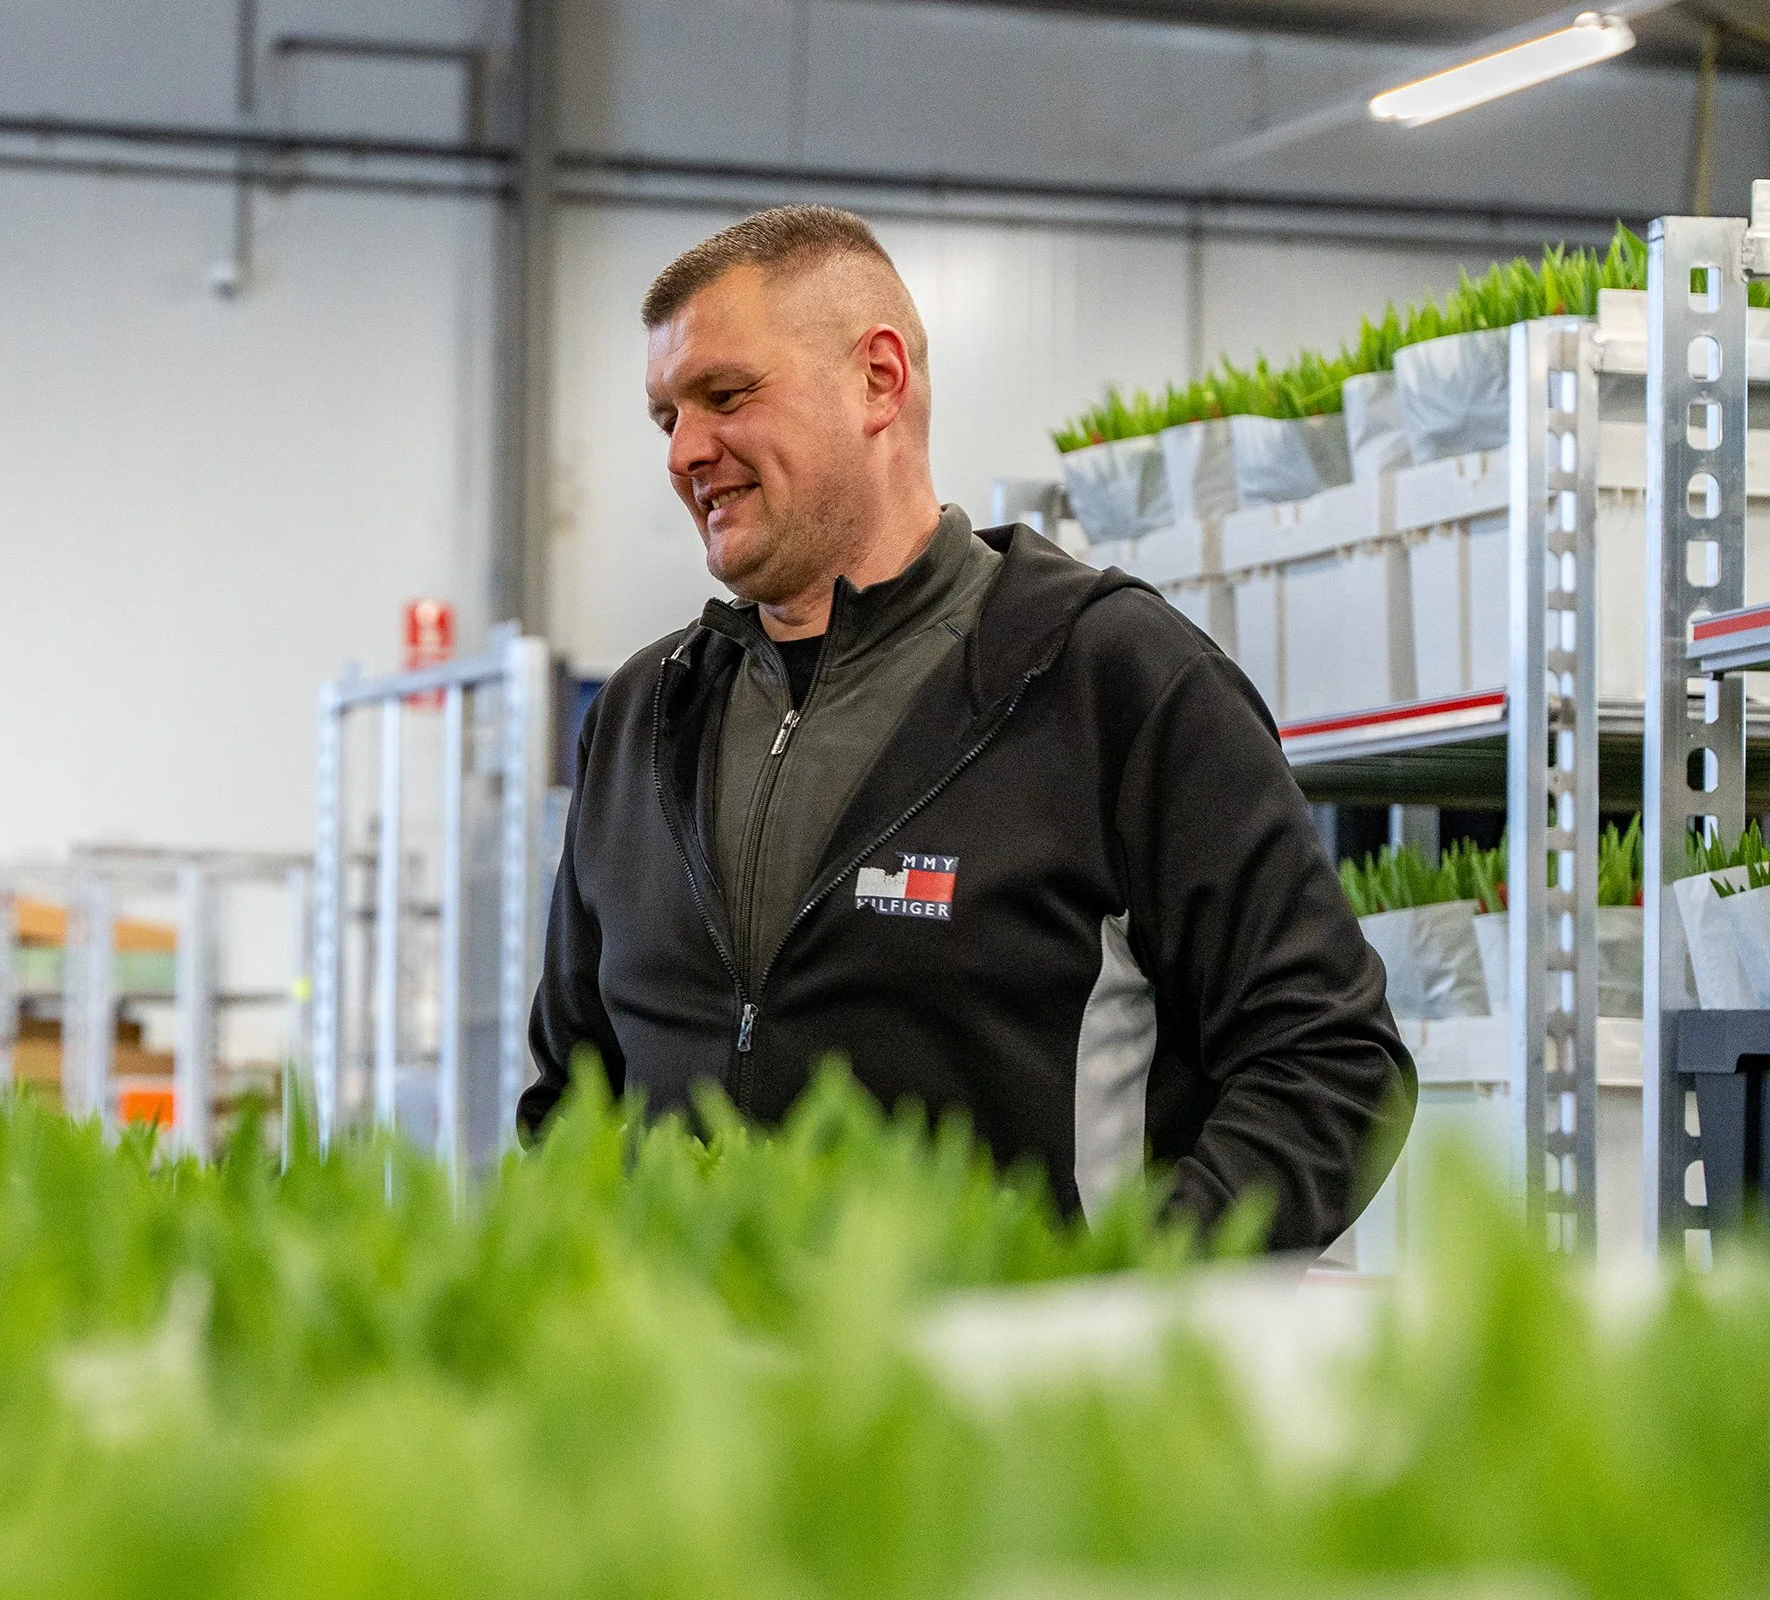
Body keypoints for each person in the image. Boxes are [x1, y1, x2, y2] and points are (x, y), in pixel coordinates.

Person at [519, 204, 1412, 1252]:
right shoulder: (643, 718)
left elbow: (1333, 1063)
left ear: (880, 381)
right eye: (666, 416)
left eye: (726, 395)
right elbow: (568, 1104)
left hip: (1014, 1401)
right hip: (705, 1404)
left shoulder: (1112, 678)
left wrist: (1119, 1296)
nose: (687, 451)